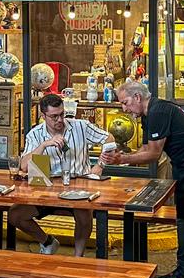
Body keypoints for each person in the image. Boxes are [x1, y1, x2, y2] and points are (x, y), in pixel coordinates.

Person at [100, 81, 184, 278]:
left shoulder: (158, 111)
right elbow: (147, 147)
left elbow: (153, 154)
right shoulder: (149, 114)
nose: (124, 109)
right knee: (183, 218)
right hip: (183, 167)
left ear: (138, 97)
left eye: (126, 103)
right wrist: (124, 156)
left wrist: (122, 160)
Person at [11, 94, 113, 256]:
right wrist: (44, 145)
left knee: (84, 213)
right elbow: (24, 165)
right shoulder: (35, 134)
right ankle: (47, 242)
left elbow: (109, 139)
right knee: (15, 215)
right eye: (54, 117)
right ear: (43, 116)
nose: (59, 120)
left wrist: (100, 166)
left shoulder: (80, 126)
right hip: (47, 189)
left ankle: (77, 258)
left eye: (62, 114)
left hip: (79, 188)